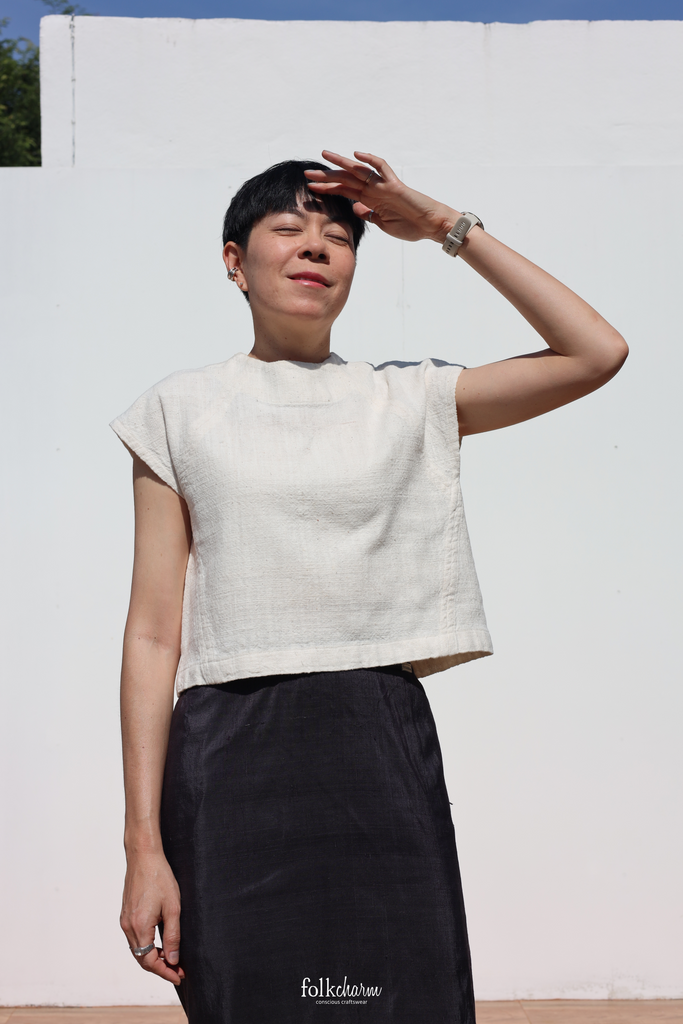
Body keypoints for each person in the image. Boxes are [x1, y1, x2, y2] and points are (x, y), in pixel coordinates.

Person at [112, 150, 627, 1023]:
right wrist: (141, 848)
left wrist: (440, 226)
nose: (316, 246)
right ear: (235, 260)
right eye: (287, 228)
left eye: (339, 236)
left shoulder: (410, 398)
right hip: (228, 752)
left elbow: (595, 351)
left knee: (401, 1001)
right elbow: (154, 633)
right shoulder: (177, 409)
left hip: (374, 740)